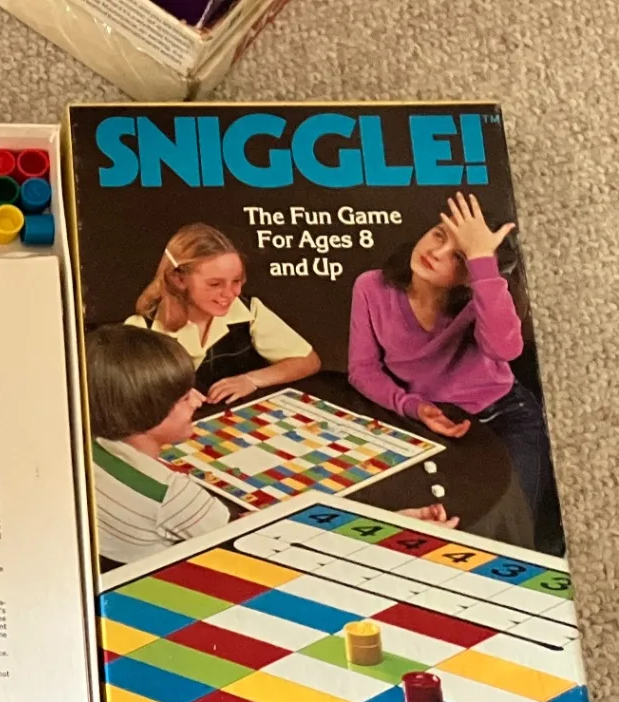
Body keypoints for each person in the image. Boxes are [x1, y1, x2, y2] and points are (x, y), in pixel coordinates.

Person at [87, 325, 455, 566]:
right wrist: (395, 533)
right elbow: (272, 545)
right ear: (145, 413)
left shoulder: (91, 451)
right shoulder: (173, 495)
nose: (198, 400)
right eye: (184, 398)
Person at [348, 192, 562, 554]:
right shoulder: (371, 285)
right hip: (424, 416)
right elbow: (362, 368)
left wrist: (482, 263)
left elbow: (505, 350)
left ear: (471, 274)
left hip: (501, 416)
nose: (436, 252)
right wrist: (412, 406)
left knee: (511, 526)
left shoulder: (485, 298)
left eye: (459, 256)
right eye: (438, 234)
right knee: (427, 528)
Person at [127, 223, 322, 404]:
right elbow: (125, 395)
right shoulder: (142, 329)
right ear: (179, 279)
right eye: (215, 284)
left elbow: (308, 360)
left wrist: (251, 379)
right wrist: (169, 394)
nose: (230, 293)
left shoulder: (248, 311)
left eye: (237, 281)